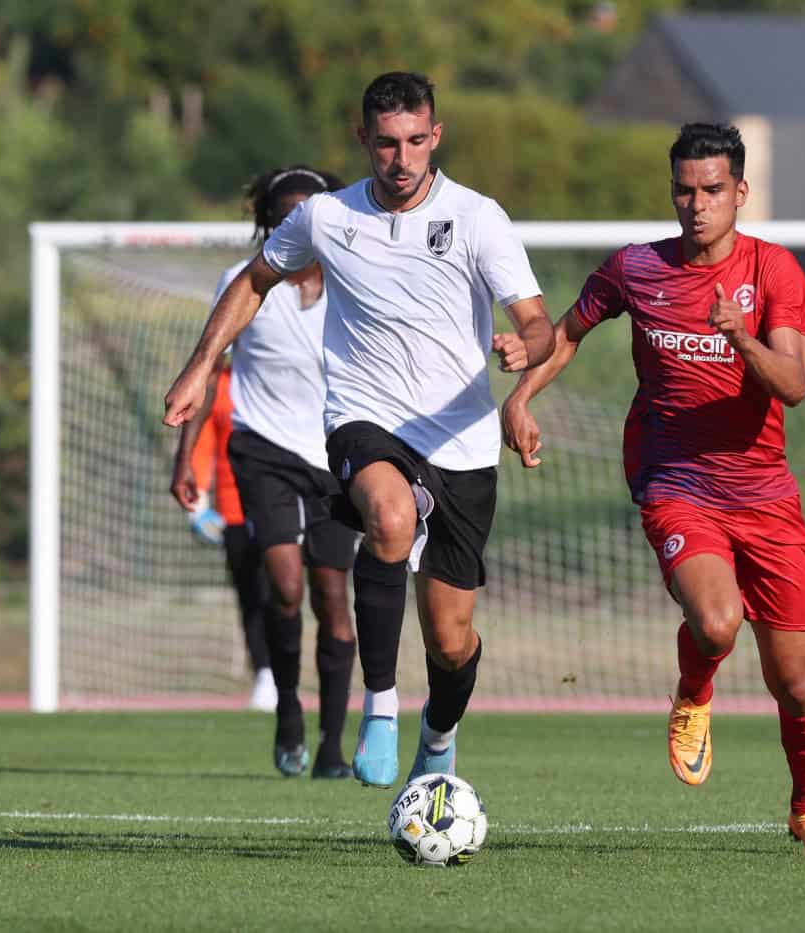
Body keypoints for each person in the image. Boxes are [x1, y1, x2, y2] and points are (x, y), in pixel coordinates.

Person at [164, 72, 555, 788]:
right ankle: (380, 703)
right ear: (363, 140)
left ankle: (437, 738)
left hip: (460, 442)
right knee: (390, 515)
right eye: (385, 144)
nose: (400, 159)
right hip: (362, 418)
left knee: (451, 639)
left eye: (414, 141)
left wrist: (528, 350)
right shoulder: (325, 217)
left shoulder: (477, 218)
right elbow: (252, 281)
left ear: (435, 137)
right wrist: (198, 368)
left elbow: (536, 320)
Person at [501, 123, 805, 858]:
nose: (696, 205)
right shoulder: (636, 268)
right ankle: (695, 689)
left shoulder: (776, 273)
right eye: (684, 191)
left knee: (795, 680)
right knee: (719, 622)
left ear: (741, 193)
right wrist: (522, 397)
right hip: (675, 481)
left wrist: (740, 338)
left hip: (765, 495)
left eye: (713, 190)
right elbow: (567, 331)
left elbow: (794, 385)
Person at [170, 166, 359, 780]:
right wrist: (184, 458)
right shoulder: (244, 282)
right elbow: (210, 370)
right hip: (263, 450)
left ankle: (333, 741)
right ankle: (285, 708)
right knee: (285, 586)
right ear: (270, 223)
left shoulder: (353, 282)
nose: (294, 225)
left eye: (305, 215)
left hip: (336, 455)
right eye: (282, 217)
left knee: (334, 599)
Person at [182, 352, 279, 715]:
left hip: (280, 504)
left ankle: (289, 669)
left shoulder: (280, 373)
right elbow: (203, 443)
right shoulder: (219, 383)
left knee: (283, 591)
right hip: (233, 508)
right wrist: (199, 505)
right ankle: (265, 674)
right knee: (250, 593)